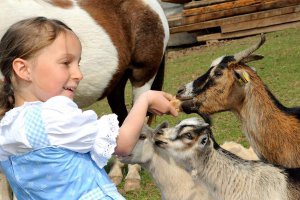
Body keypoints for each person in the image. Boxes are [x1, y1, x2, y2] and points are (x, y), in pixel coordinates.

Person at [0, 16, 178, 200]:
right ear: (23, 70)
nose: (79, 74)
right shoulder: (53, 115)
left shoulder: (6, 130)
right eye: (66, 63)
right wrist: (145, 100)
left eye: (78, 64)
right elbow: (123, 144)